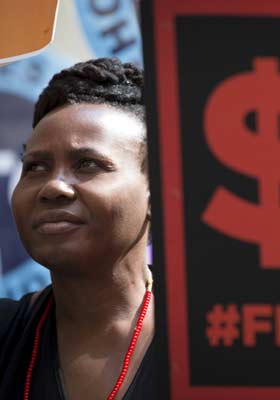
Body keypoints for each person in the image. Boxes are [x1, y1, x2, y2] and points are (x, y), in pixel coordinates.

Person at [0, 58, 156, 399]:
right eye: (35, 167)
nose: (52, 187)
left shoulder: (214, 338)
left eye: (87, 164)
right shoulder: (6, 334)